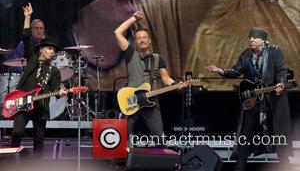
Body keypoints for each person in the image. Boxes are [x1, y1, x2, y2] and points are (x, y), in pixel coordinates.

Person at [206, 28, 291, 171]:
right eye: (250, 37)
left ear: (263, 40)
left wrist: (281, 84)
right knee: (246, 136)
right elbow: (236, 71)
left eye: (254, 38)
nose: (251, 40)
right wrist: (219, 70)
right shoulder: (246, 55)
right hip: (253, 102)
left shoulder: (275, 52)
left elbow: (281, 71)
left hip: (272, 101)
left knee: (279, 136)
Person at [114, 10, 185, 143]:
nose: (142, 40)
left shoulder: (158, 59)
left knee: (159, 135)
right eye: (138, 38)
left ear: (150, 41)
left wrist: (176, 85)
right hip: (131, 99)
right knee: (122, 135)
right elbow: (117, 32)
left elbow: (165, 78)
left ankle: (162, 161)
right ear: (135, 42)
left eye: (144, 37)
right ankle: (119, 162)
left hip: (150, 99)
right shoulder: (130, 53)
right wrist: (133, 18)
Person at [10, 3, 67, 157]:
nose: (52, 52)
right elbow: (26, 35)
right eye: (50, 49)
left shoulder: (54, 71)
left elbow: (56, 90)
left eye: (54, 51)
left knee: (39, 139)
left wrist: (61, 92)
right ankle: (10, 159)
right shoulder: (33, 58)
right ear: (41, 49)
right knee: (17, 132)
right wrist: (27, 17)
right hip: (22, 102)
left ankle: (37, 165)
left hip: (41, 106)